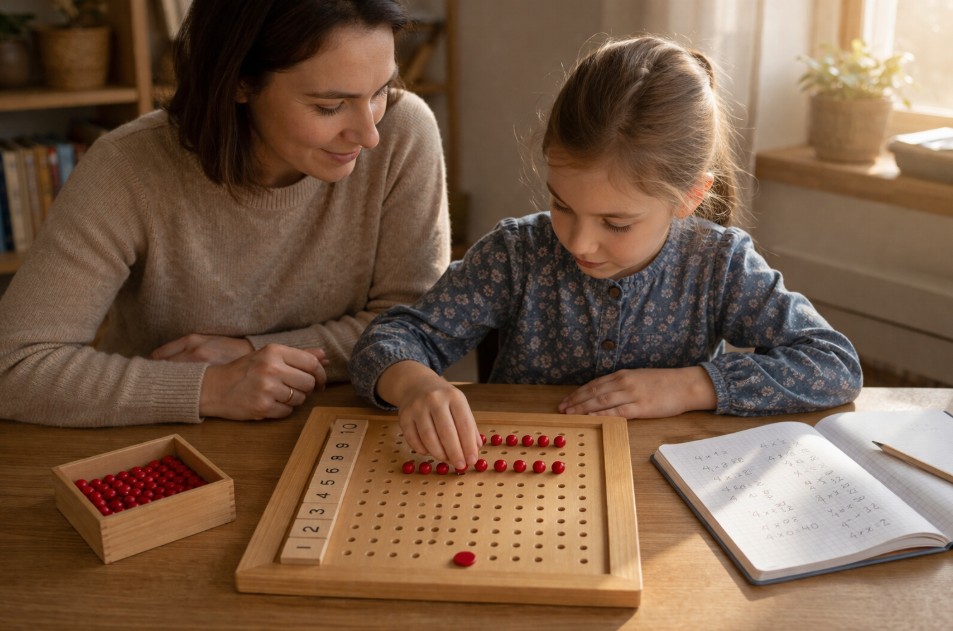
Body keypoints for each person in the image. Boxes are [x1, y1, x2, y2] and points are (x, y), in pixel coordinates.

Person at [349, 35, 863, 472]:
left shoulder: (718, 264)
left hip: (661, 488)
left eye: (616, 223)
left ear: (689, 197)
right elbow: (388, 340)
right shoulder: (517, 254)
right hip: (520, 480)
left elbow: (833, 364)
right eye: (561, 204)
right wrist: (414, 384)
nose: (578, 242)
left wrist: (690, 387)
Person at [0, 0, 450, 427]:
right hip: (160, 442)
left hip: (348, 425)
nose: (369, 134)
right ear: (239, 81)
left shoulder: (403, 131)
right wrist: (209, 388)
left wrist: (255, 354)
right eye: (329, 105)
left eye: (380, 90)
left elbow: (421, 324)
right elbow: (15, 365)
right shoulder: (127, 168)